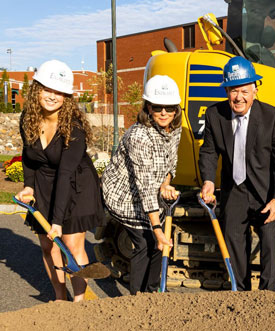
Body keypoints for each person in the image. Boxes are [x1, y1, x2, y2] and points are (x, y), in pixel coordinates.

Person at [199, 56, 275, 291]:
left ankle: (268, 292)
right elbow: (209, 152)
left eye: (243, 91)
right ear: (227, 91)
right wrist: (209, 180)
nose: (238, 97)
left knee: (269, 239)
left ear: (255, 90)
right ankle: (240, 291)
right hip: (235, 189)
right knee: (233, 238)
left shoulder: (272, 117)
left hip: (266, 190)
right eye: (233, 91)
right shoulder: (215, 115)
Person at [15, 59, 104, 302]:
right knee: (48, 246)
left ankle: (79, 301)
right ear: (37, 90)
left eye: (59, 92)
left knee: (72, 246)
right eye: (47, 89)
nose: (52, 96)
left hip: (76, 185)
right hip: (43, 185)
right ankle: (59, 299)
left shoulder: (73, 127)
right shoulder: (28, 118)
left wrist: (57, 221)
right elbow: (29, 157)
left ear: (66, 96)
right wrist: (29, 186)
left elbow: (65, 174)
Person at [102, 75, 181, 295]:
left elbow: (170, 162)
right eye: (158, 107)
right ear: (148, 107)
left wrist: (166, 183)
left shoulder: (173, 129)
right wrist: (157, 228)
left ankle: (151, 293)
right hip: (124, 195)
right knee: (146, 242)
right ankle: (136, 298)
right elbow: (144, 186)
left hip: (152, 192)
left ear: (176, 109)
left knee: (159, 245)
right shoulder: (138, 136)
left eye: (169, 107)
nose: (164, 112)